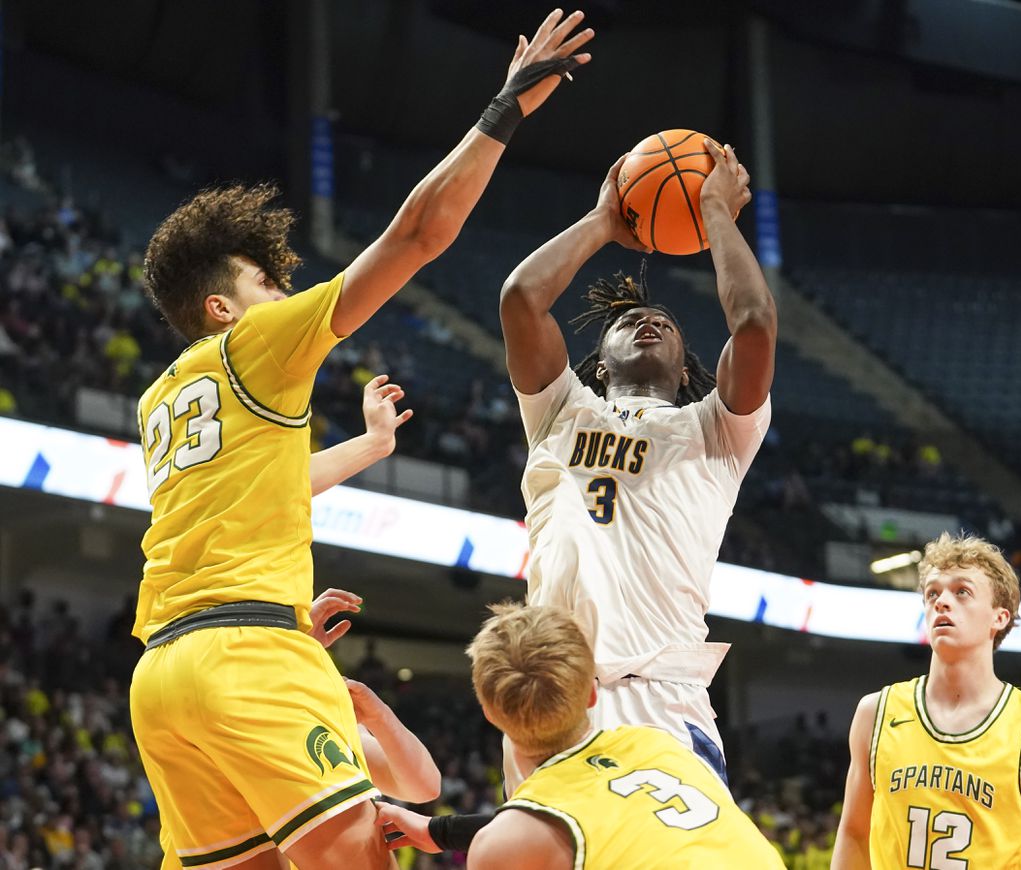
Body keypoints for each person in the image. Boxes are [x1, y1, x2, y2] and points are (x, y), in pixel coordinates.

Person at [128, 11, 594, 869]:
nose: (282, 295)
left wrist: (371, 449)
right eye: (266, 283)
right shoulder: (254, 343)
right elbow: (418, 235)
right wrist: (506, 109)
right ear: (223, 306)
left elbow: (259, 489)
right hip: (250, 657)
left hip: (162, 676)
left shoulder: (163, 397)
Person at [498, 141, 776, 785]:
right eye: (629, 322)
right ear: (596, 364)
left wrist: (715, 214)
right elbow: (521, 299)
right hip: (552, 694)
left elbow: (756, 324)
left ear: (686, 372)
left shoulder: (714, 430)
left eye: (664, 324)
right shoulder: (560, 410)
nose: (647, 321)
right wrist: (602, 221)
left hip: (661, 696)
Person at [376, 603, 785, 869]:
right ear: (591, 692)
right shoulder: (659, 746)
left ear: (489, 712)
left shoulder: (507, 843)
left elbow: (536, 833)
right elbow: (595, 820)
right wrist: (439, 831)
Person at [830, 532, 1021, 869]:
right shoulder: (875, 713)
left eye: (962, 592)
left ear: (999, 617)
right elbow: (854, 834)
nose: (942, 601)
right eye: (933, 593)